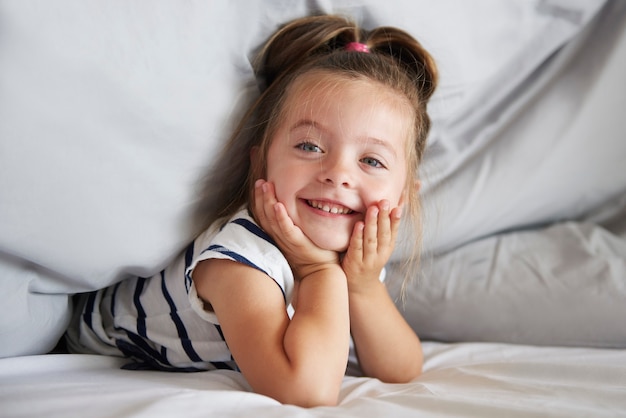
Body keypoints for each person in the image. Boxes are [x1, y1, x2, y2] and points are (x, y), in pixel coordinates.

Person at [66, 14, 438, 407]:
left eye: (372, 161)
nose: (338, 175)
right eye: (310, 147)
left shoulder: (355, 253)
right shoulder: (242, 259)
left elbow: (402, 369)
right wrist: (317, 272)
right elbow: (306, 390)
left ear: (403, 199)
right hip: (97, 340)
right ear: (261, 164)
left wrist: (363, 287)